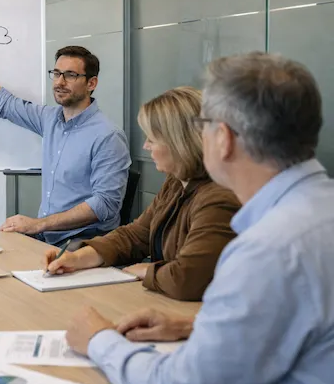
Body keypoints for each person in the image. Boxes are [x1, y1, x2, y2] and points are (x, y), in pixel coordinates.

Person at [63, 53, 334, 384]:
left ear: (222, 139)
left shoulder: (269, 247)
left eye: (202, 124)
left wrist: (99, 340)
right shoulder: (315, 212)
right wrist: (199, 327)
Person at [43, 87, 239, 301]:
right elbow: (136, 235)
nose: (146, 146)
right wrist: (79, 258)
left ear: (179, 144)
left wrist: (148, 272)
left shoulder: (218, 197)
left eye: (152, 139)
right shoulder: (176, 183)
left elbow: (189, 279)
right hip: (168, 302)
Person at [0, 46, 130, 247]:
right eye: (57, 73)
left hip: (83, 243)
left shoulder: (108, 136)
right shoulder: (50, 119)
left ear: (91, 83)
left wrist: (38, 225)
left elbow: (105, 204)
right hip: (48, 237)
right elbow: (3, 103)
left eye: (70, 75)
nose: (60, 82)